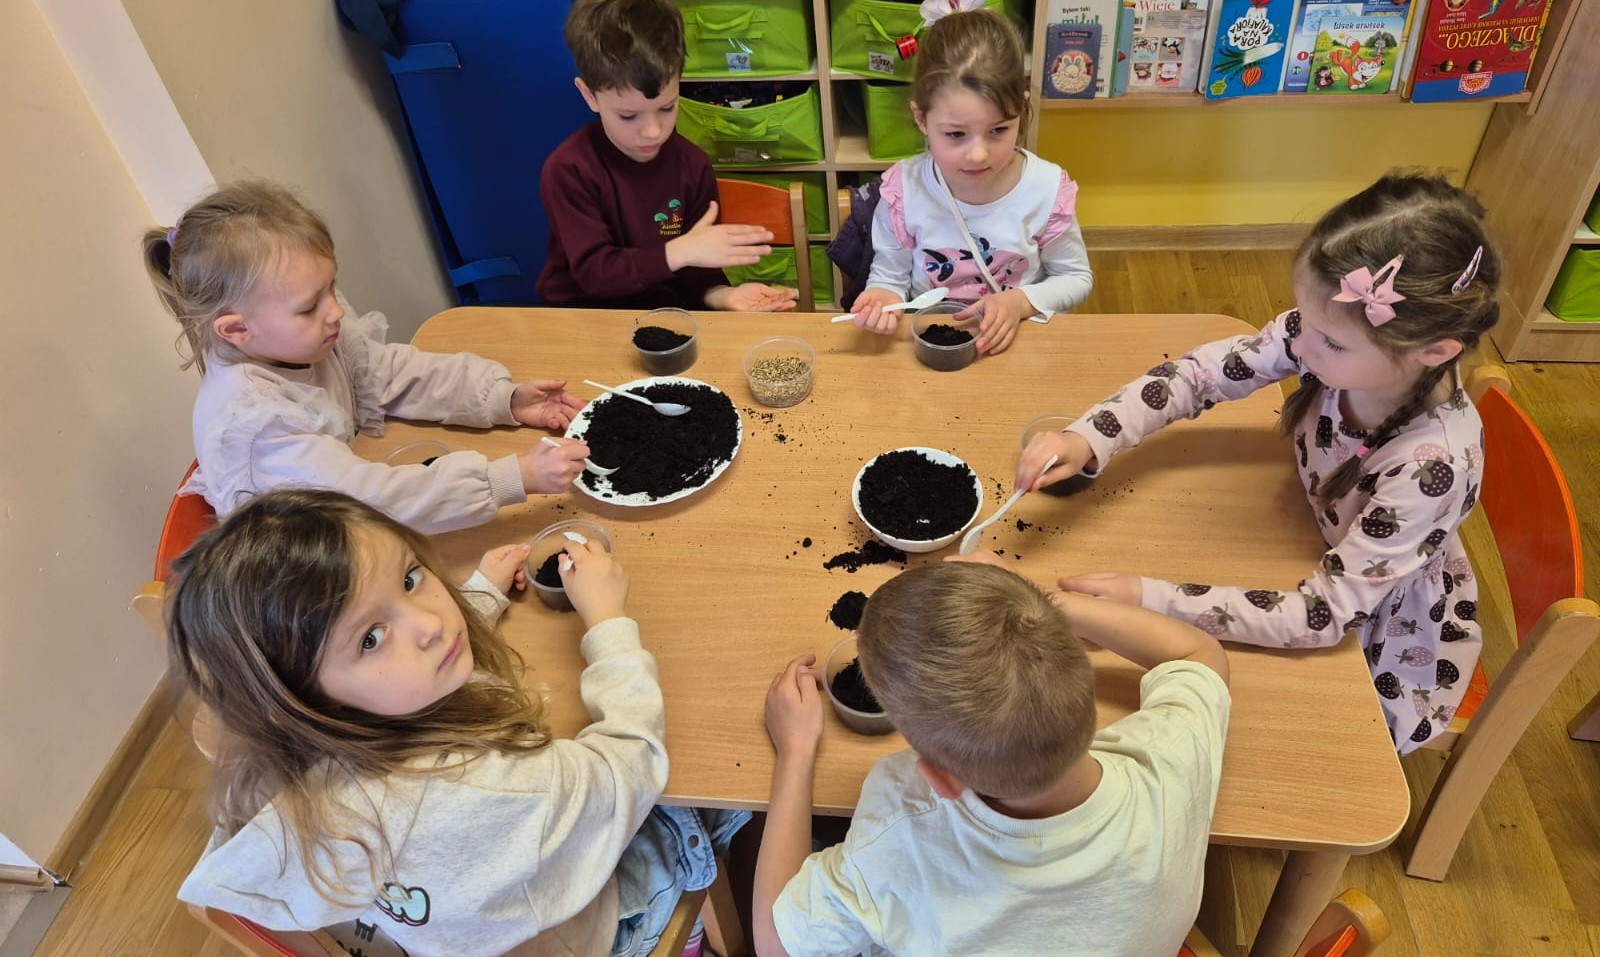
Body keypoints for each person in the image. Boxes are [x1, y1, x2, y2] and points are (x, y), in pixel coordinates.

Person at [1017, 171, 1499, 754]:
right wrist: (1089, 438)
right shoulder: (1333, 335)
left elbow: (1321, 617)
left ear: (1434, 351)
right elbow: (1199, 376)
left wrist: (1151, 600)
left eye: (1331, 343)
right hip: (1309, 539)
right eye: (1305, 320)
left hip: (1380, 630)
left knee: (1265, 740)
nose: (1302, 346)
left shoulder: (1430, 467)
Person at [170, 489, 745, 957]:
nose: (429, 624)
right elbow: (631, 762)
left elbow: (410, 639)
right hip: (580, 936)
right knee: (721, 789)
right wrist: (607, 617)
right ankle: (690, 936)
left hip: (477, 929)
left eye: (409, 578)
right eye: (370, 638)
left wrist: (482, 595)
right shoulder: (485, 788)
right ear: (302, 697)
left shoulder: (289, 776)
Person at [753, 558, 1231, 957]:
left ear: (941, 780)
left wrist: (796, 753)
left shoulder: (896, 841)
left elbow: (776, 945)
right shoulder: (1169, 764)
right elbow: (1198, 653)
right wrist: (1037, 604)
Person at [144, 180, 591, 535]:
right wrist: (515, 477)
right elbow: (372, 503)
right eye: (310, 306)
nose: (335, 311)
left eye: (331, 288)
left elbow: (393, 373)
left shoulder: (302, 339)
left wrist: (502, 398)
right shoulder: (262, 431)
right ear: (236, 330)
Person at [849, 8, 1093, 355]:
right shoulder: (903, 191)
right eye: (955, 134)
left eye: (998, 130)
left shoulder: (1046, 190)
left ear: (1021, 108)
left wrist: (1020, 302)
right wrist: (882, 298)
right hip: (930, 346)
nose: (978, 155)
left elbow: (1075, 278)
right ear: (921, 119)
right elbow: (889, 277)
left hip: (1017, 345)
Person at [537, 0, 799, 313]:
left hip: (664, 314)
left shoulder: (693, 165)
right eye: (628, 116)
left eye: (667, 107)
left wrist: (723, 296)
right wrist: (678, 251)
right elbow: (596, 274)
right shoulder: (569, 170)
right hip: (582, 314)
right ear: (589, 95)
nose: (653, 132)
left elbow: (698, 276)